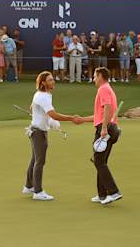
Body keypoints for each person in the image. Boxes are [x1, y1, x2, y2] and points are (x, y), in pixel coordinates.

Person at [22, 71, 84, 201]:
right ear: (43, 82)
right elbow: (53, 114)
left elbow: (34, 108)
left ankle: (29, 186)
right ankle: (38, 192)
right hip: (38, 133)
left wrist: (49, 121)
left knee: (35, 159)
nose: (53, 81)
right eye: (50, 80)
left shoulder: (44, 94)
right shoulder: (43, 96)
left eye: (52, 79)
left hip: (36, 130)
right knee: (40, 161)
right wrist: (71, 118)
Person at [80, 67, 122, 205]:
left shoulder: (103, 89)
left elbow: (108, 108)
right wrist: (82, 119)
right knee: (101, 162)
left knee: (99, 161)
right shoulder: (108, 88)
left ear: (100, 76)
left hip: (105, 129)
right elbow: (100, 115)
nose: (93, 79)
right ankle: (102, 194)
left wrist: (103, 128)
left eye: (94, 76)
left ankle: (113, 192)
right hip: (111, 128)